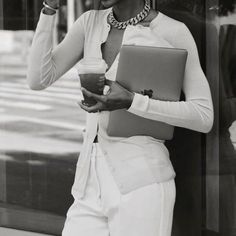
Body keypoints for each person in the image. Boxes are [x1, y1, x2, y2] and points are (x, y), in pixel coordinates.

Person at [27, 0, 214, 235]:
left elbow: (203, 115)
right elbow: (38, 78)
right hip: (88, 182)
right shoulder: (90, 22)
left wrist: (132, 101)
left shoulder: (172, 31)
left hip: (142, 183)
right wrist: (49, 8)